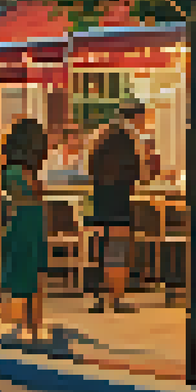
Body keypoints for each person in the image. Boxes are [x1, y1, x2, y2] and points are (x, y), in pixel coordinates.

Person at [85, 100, 147, 313]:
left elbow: (90, 167)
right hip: (120, 198)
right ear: (136, 117)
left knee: (101, 248)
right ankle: (117, 298)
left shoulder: (101, 134)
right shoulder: (130, 138)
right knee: (118, 249)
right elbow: (140, 173)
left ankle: (99, 297)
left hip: (101, 198)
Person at [0, 118, 51, 350]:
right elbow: (38, 194)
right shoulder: (31, 172)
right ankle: (35, 324)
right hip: (35, 219)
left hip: (18, 219)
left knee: (21, 269)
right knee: (36, 272)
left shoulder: (10, 169)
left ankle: (21, 324)